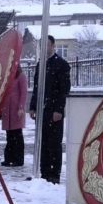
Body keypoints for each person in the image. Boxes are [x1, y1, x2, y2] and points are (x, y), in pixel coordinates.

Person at [29, 35, 71, 184]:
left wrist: (59, 110)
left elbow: (63, 90)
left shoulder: (61, 65)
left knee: (54, 143)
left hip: (54, 110)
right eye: (42, 45)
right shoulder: (41, 64)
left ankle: (54, 175)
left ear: (53, 46)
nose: (45, 48)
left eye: (47, 45)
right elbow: (36, 88)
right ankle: (44, 172)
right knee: (43, 142)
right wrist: (32, 107)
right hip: (42, 110)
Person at [1, 64, 27, 167]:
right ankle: (9, 158)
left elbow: (23, 93)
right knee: (9, 135)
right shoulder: (7, 77)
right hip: (7, 110)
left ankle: (18, 159)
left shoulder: (21, 76)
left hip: (16, 110)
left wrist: (21, 107)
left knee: (17, 135)